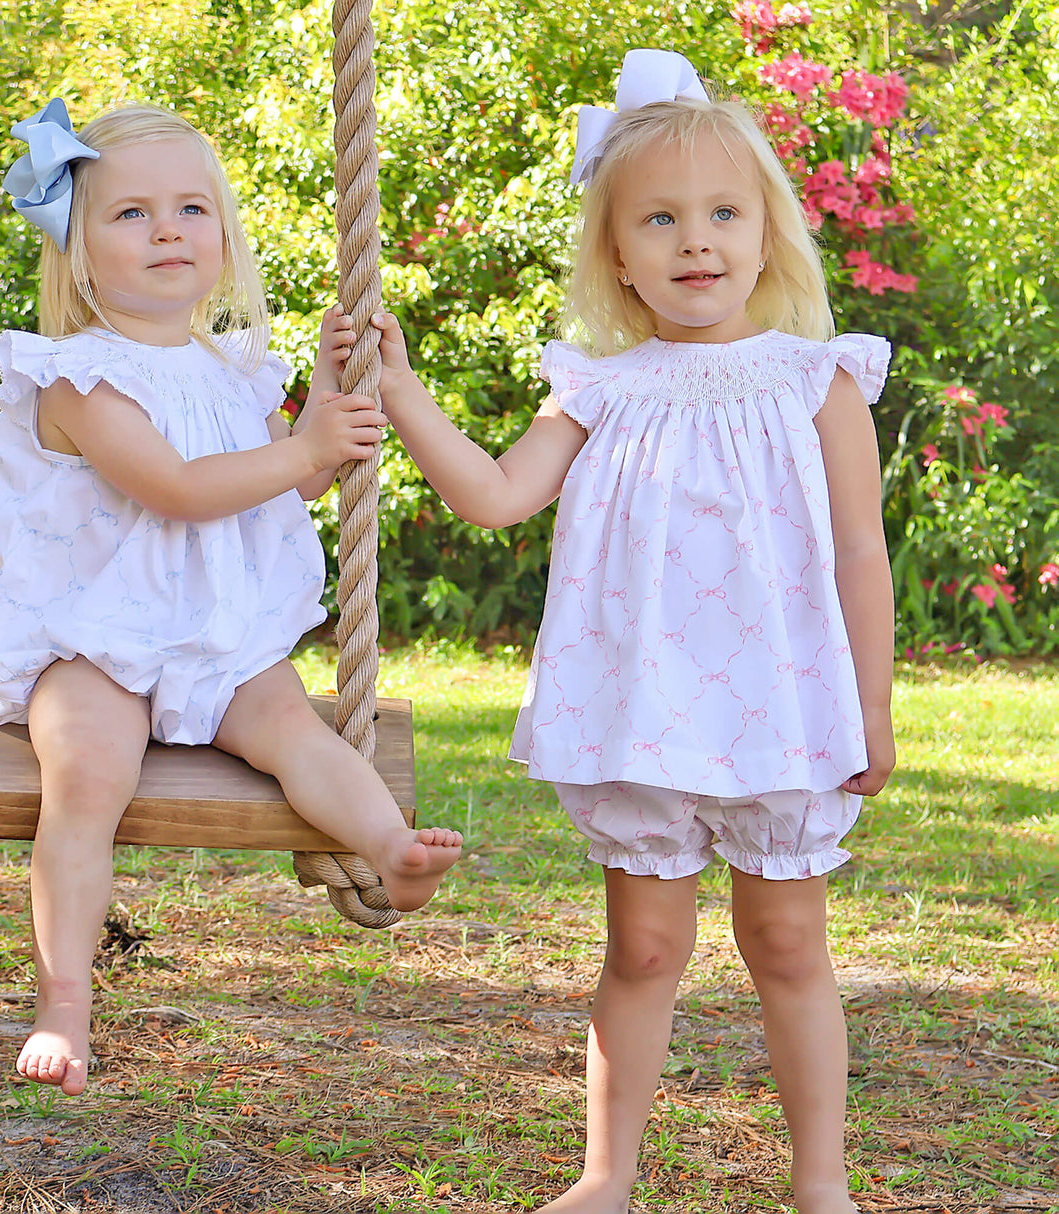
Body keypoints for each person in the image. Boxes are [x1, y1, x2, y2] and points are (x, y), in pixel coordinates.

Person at [372, 48, 893, 1214]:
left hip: (784, 713)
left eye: (721, 212)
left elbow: (859, 551)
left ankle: (821, 1184)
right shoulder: (597, 389)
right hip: (646, 715)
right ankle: (604, 1176)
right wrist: (403, 394)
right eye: (658, 218)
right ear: (616, 251)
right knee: (645, 951)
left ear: (767, 234)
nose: (693, 240)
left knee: (787, 947)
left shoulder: (818, 382)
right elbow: (497, 495)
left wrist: (870, 703)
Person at [0, 99, 461, 1098]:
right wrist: (304, 445)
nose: (168, 228)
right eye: (132, 213)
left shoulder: (235, 366)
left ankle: (388, 848)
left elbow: (288, 477)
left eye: (191, 207)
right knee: (87, 771)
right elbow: (177, 488)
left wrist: (320, 398)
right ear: (81, 256)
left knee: (298, 730)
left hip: (216, 638)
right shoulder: (77, 377)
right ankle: (64, 1001)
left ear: (222, 238)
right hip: (88, 638)